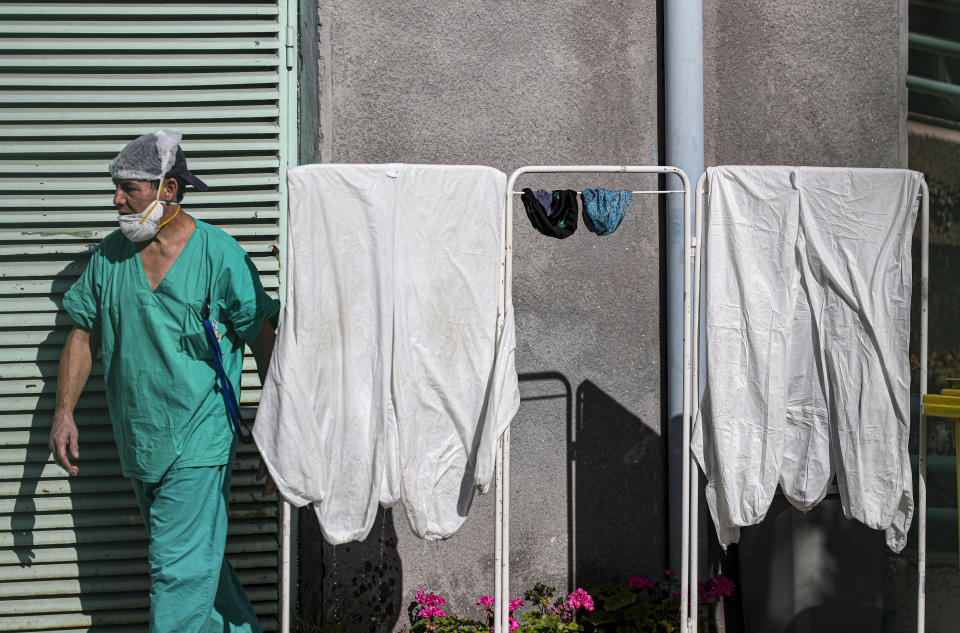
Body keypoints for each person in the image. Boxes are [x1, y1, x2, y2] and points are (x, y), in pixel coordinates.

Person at [48, 130, 280, 633]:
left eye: (127, 188)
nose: (115, 200)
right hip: (139, 437)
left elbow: (263, 337)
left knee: (176, 571)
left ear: (168, 190)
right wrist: (64, 411)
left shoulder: (220, 255)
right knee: (197, 569)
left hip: (199, 437)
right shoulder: (110, 257)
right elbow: (83, 333)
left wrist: (277, 429)